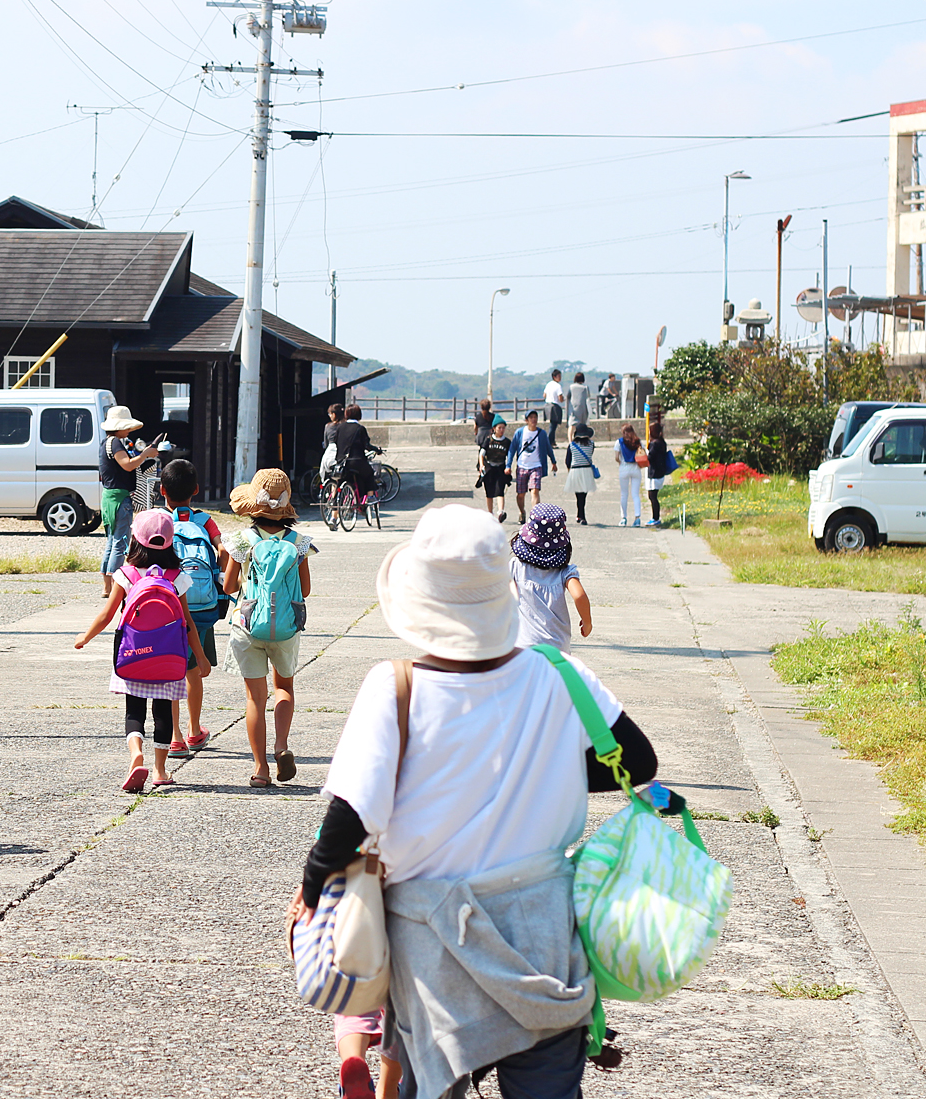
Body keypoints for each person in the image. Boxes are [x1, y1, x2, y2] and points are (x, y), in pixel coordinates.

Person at [291, 504, 657, 1099]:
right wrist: (546, 771)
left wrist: (311, 895)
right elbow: (639, 762)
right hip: (542, 935)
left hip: (432, 947)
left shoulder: (397, 688)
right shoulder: (559, 674)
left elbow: (350, 818)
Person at [74, 509, 210, 792]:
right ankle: (160, 771)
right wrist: (201, 657)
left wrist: (84, 637)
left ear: (135, 539)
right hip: (170, 658)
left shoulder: (126, 574)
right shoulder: (177, 576)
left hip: (134, 655)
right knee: (162, 714)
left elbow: (107, 614)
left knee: (133, 711)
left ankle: (136, 754)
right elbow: (188, 624)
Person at [223, 469, 317, 788]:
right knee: (284, 688)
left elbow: (226, 587)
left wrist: (249, 582)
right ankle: (281, 746)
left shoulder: (241, 540)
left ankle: (260, 769)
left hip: (248, 624)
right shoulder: (299, 543)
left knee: (254, 698)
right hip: (287, 626)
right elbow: (304, 590)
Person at [160, 459, 225, 757]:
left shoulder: (158, 520)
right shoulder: (205, 520)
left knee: (173, 669)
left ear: (162, 490)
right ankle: (194, 731)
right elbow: (223, 551)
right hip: (202, 605)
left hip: (169, 607)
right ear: (196, 489)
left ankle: (173, 737)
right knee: (194, 671)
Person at [511, 503, 592, 649]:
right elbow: (579, 596)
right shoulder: (565, 572)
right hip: (557, 645)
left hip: (525, 645)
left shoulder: (516, 567)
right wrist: (587, 622)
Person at [98, 406, 159, 597]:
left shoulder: (105, 443)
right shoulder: (116, 443)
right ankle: (114, 586)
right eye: (127, 427)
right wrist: (145, 455)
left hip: (108, 497)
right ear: (120, 427)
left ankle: (106, 586)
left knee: (111, 542)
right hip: (119, 499)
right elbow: (127, 465)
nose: (129, 431)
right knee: (120, 543)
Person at [325, 402, 376, 515]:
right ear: (359, 415)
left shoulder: (339, 427)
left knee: (339, 482)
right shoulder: (360, 428)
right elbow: (367, 445)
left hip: (342, 462)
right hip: (357, 461)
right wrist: (377, 450)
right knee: (369, 474)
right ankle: (371, 496)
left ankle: (334, 515)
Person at [506, 409, 556, 523]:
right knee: (520, 494)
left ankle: (535, 516)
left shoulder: (542, 433)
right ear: (526, 420)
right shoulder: (520, 432)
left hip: (536, 466)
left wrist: (554, 462)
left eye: (535, 417)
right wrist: (508, 465)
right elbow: (512, 449)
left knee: (535, 491)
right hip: (522, 466)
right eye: (531, 418)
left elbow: (548, 448)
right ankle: (522, 512)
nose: (533, 420)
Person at [563, 423, 598, 525]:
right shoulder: (591, 444)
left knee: (578, 495)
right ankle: (581, 515)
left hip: (575, 470)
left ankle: (580, 515)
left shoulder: (572, 445)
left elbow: (567, 461)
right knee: (584, 495)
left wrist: (569, 470)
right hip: (586, 470)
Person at [478, 418, 511, 522]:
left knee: (500, 490)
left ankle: (501, 512)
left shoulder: (507, 442)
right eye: (499, 428)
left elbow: (509, 456)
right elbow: (481, 454)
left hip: (501, 468)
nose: (501, 430)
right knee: (489, 492)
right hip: (489, 468)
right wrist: (481, 465)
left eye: (503, 428)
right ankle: (490, 513)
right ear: (494, 428)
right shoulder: (488, 440)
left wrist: (508, 467)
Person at [645, 419, 674, 528]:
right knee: (653, 496)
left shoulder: (654, 444)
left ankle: (656, 518)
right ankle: (655, 517)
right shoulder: (662, 442)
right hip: (660, 472)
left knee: (652, 496)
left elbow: (650, 458)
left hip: (654, 473)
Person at [614, 423, 644, 527]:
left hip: (624, 468)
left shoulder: (619, 442)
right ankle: (637, 518)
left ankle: (623, 518)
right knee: (635, 494)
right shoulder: (638, 441)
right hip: (636, 468)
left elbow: (617, 457)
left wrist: (621, 463)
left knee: (624, 494)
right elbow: (644, 454)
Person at [320, 402, 345, 484]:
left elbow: (326, 443)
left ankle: (331, 495)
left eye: (329, 414)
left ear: (334, 415)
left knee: (332, 478)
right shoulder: (344, 426)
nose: (330, 416)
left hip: (329, 455)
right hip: (341, 454)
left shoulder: (328, 426)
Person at [543, 369, 565, 448]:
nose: (560, 378)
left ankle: (552, 441)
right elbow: (560, 398)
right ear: (554, 377)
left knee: (552, 425)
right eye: (559, 376)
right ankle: (550, 441)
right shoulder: (558, 386)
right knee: (553, 425)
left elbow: (544, 395)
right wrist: (563, 399)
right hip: (554, 406)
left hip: (547, 405)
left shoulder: (548, 384)